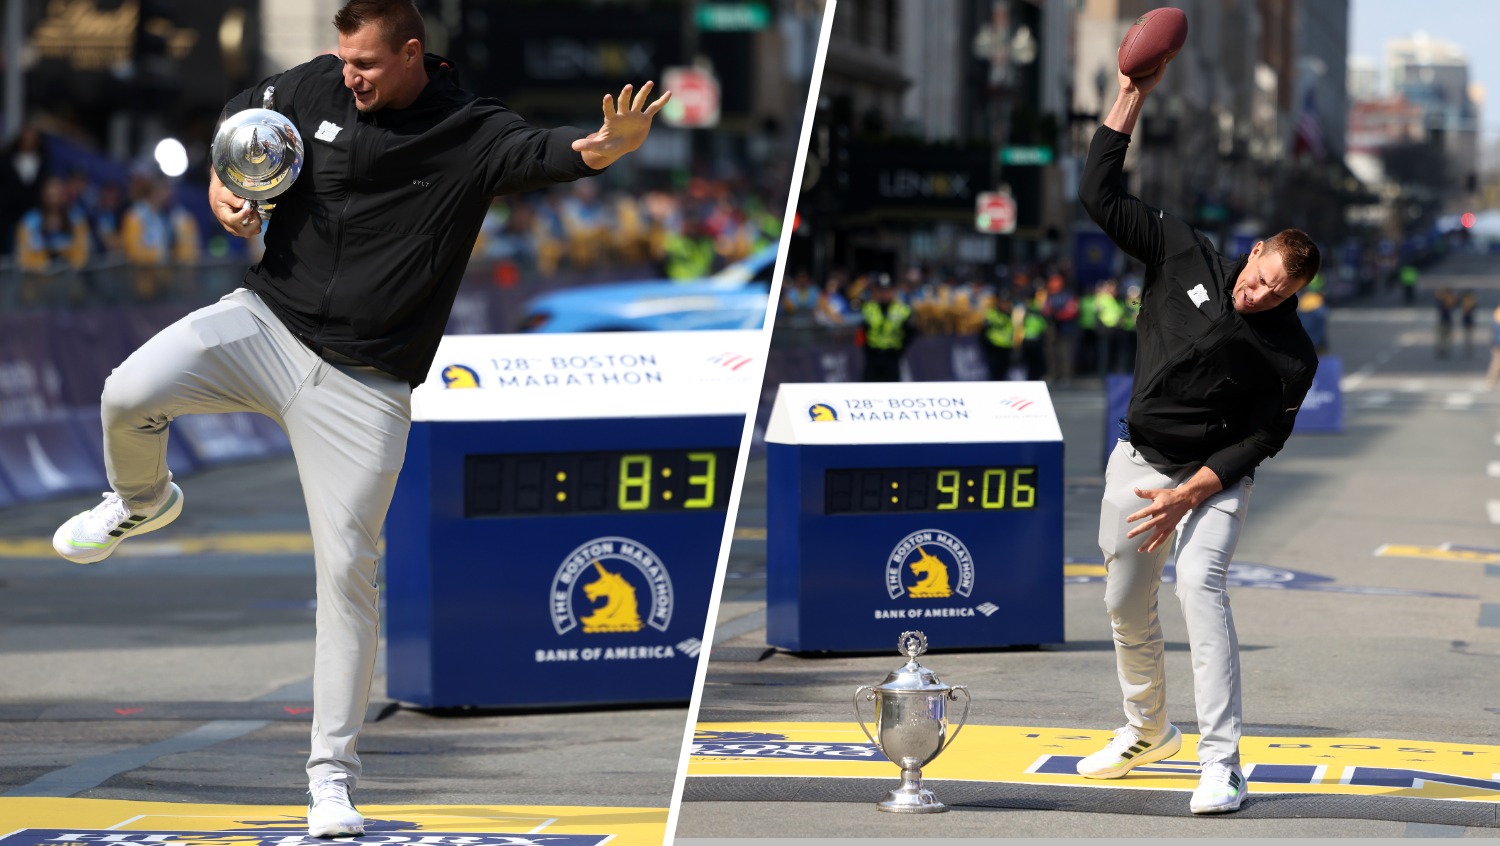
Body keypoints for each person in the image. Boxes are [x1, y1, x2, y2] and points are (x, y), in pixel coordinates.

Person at [48, 0, 668, 836]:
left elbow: (559, 151)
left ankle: (330, 781)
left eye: (367, 65)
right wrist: (221, 184)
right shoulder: (313, 86)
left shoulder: (473, 131)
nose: (350, 77)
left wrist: (609, 146)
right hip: (265, 324)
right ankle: (142, 501)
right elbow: (241, 121)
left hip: (365, 383)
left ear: (412, 53)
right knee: (127, 391)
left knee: (346, 575)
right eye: (344, 61)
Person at [1074, 58, 1319, 815]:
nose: (1260, 293)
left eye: (1278, 292)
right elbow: (1099, 195)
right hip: (1138, 457)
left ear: (1296, 293)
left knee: (1199, 589)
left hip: (1211, 479)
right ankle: (1147, 729)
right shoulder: (1183, 250)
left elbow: (1260, 441)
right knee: (1121, 600)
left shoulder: (1292, 354)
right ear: (1252, 255)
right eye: (1259, 277)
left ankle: (1223, 765)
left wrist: (1192, 494)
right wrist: (1131, 95)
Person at [860, 272, 914, 381]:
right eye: (881, 290)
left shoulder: (902, 309)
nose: (884, 293)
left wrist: (900, 349)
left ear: (892, 291)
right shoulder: (868, 308)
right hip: (873, 356)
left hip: (892, 356)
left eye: (887, 290)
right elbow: (863, 330)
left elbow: (910, 332)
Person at [980, 289, 1016, 380]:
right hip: (994, 347)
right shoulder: (991, 312)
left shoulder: (1011, 313)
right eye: (1003, 302)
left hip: (1007, 347)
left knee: (1004, 372)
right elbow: (984, 330)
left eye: (1007, 301)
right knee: (995, 372)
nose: (1005, 304)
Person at [1435, 288, 1455, 359]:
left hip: (1448, 321)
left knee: (1447, 336)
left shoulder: (1449, 300)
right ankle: (1443, 350)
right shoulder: (1441, 301)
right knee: (1442, 337)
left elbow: (1454, 303)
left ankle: (1445, 349)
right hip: (1443, 321)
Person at [1461, 290, 1477, 359]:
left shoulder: (1471, 303)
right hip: (1467, 322)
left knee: (1469, 338)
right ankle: (1468, 350)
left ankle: (1469, 350)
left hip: (1469, 322)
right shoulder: (1464, 303)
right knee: (1467, 338)